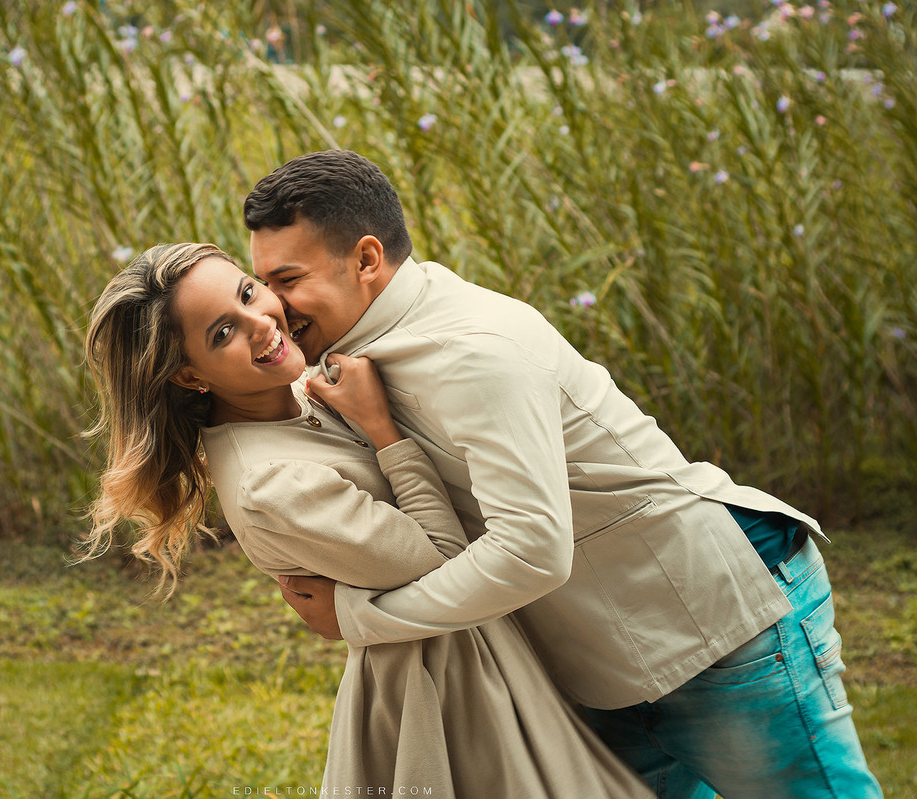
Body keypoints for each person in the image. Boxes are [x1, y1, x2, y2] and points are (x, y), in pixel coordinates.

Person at [243, 149, 882, 799]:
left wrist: (358, 616)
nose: (272, 302)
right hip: (596, 659)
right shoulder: (350, 351)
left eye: (287, 278)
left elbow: (531, 551)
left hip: (718, 628)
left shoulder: (472, 351)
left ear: (367, 260)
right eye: (262, 279)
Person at [81, 242, 653, 797]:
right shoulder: (273, 484)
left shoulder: (300, 395)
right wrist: (383, 431)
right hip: (451, 688)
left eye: (249, 293)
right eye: (223, 333)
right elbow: (446, 559)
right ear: (188, 376)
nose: (260, 322)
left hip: (476, 645)